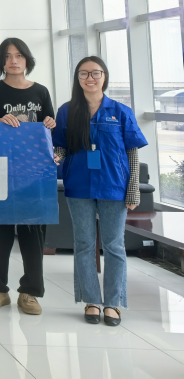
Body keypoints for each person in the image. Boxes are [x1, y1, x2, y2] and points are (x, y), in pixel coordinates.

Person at [53, 56, 146, 327]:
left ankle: (113, 303)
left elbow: (132, 154)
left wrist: (133, 190)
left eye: (95, 73)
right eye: (84, 73)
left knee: (114, 245)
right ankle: (91, 301)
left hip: (114, 186)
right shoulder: (67, 111)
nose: (90, 78)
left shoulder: (121, 111)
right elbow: (61, 146)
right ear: (77, 78)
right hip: (79, 185)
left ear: (104, 76)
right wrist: (55, 157)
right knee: (84, 244)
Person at [0, 37, 56, 315]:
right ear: (1, 62)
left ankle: (30, 292)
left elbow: (50, 132)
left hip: (33, 174)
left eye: (19, 55)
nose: (13, 61)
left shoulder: (41, 92)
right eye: (7, 56)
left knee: (32, 234)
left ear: (27, 60)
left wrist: (50, 123)